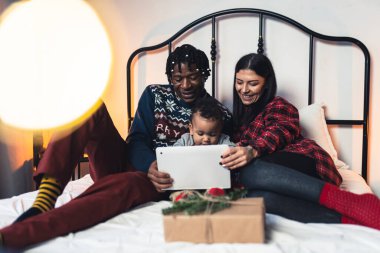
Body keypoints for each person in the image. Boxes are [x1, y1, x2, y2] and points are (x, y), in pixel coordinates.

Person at [0, 44, 232, 249]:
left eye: (193, 76)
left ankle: (16, 234)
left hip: (156, 183)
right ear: (169, 76)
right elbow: (137, 139)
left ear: (204, 75)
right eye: (177, 77)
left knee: (122, 185)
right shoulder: (154, 94)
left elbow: (218, 159)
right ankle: (45, 199)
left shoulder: (216, 113)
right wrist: (150, 163)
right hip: (132, 162)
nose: (185, 84)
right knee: (89, 105)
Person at [220, 53, 379, 229]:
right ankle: (349, 219)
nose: (244, 89)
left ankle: (348, 201)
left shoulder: (278, 105)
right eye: (239, 82)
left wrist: (252, 150)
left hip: (308, 163)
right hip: (277, 180)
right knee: (256, 197)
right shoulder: (236, 123)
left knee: (250, 172)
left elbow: (279, 131)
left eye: (253, 83)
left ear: (266, 84)